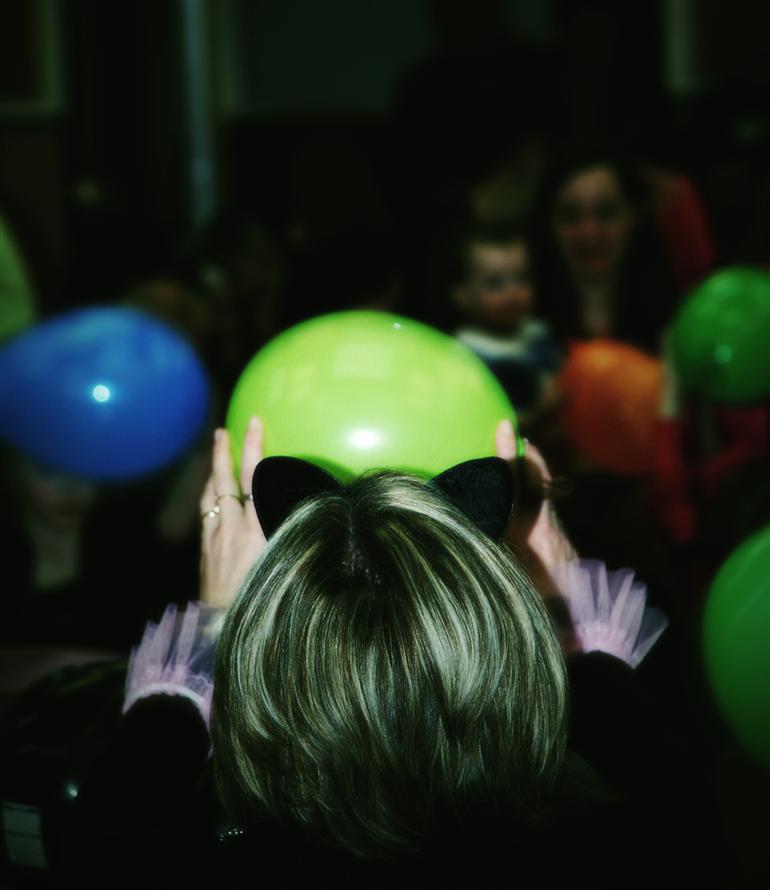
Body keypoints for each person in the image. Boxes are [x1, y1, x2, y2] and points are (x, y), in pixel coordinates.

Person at [533, 154, 680, 355]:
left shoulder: (674, 326)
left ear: (634, 217)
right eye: (570, 216)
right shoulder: (520, 327)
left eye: (606, 213)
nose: (589, 232)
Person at [449, 221, 562, 415]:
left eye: (522, 278)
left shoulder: (537, 332)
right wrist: (537, 415)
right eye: (495, 284)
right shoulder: (467, 354)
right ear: (462, 295)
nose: (513, 293)